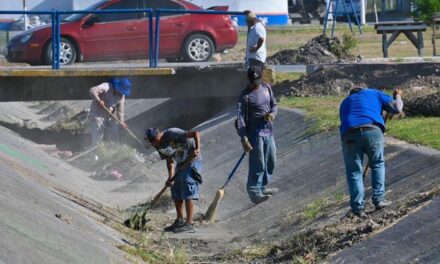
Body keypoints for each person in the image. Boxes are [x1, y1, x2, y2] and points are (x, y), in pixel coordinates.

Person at [339, 87, 403, 218]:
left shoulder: (345, 102)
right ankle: (379, 199)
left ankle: (357, 208)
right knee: (377, 163)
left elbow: (344, 119)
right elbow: (397, 108)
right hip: (372, 130)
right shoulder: (374, 93)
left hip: (349, 134)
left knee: (354, 171)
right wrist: (398, 96)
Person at [145, 127, 202, 233]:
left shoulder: (172, 133)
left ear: (157, 136)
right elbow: (169, 161)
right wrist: (171, 178)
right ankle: (179, 220)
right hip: (181, 162)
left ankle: (189, 223)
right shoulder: (158, 146)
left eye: (153, 141)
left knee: (187, 183)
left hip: (192, 159)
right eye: (151, 142)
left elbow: (195, 133)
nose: (152, 144)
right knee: (175, 189)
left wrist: (197, 149)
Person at [237, 66, 278, 204]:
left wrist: (272, 114)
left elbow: (274, 105)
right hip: (254, 134)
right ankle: (254, 192)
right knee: (258, 163)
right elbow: (240, 118)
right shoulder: (245, 96)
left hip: (268, 130)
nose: (256, 83)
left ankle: (263, 186)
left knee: (271, 160)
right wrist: (244, 138)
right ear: (249, 79)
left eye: (257, 80)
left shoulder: (266, 87)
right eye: (253, 81)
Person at [88, 77, 131, 146]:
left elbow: (120, 111)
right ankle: (96, 149)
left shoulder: (121, 97)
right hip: (97, 113)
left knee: (114, 132)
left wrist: (122, 122)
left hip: (108, 116)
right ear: (117, 87)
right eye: (120, 90)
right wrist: (99, 100)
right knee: (97, 131)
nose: (121, 93)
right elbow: (92, 90)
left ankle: (114, 149)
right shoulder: (106, 87)